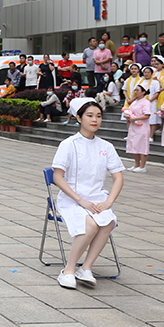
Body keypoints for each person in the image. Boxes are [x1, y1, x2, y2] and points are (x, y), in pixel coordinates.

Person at [52, 99, 124, 290]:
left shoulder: (106, 147)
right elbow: (58, 177)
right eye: (90, 116)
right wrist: (80, 200)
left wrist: (108, 202)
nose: (95, 120)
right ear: (79, 118)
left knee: (107, 221)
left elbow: (118, 178)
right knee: (90, 224)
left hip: (97, 199)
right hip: (73, 199)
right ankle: (68, 270)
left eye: (98, 116)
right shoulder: (68, 144)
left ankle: (86, 268)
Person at [123, 84, 152, 173]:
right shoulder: (134, 102)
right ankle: (136, 164)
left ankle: (142, 166)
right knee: (135, 145)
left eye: (137, 90)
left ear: (143, 92)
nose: (135, 92)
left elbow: (147, 115)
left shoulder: (146, 102)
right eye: (135, 90)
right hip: (134, 126)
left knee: (142, 146)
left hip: (142, 126)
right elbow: (130, 111)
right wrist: (127, 115)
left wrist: (135, 118)